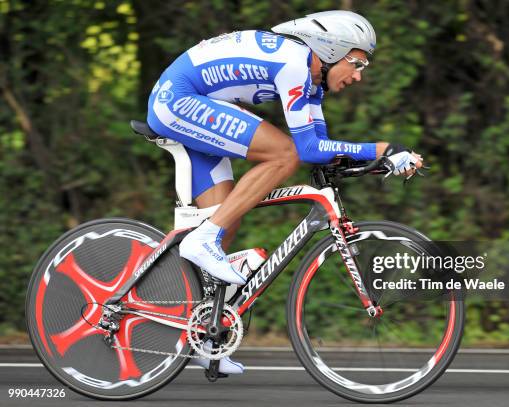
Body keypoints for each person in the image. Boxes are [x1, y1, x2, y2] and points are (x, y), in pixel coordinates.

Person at [146, 10, 423, 375]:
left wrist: (375, 162)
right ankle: (203, 241)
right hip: (178, 100)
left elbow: (322, 148)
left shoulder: (311, 84)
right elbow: (304, 151)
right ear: (329, 50)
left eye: (363, 67)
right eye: (356, 63)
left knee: (226, 219)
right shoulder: (293, 62)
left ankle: (204, 337)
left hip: (198, 104)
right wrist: (381, 148)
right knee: (283, 154)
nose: (358, 76)